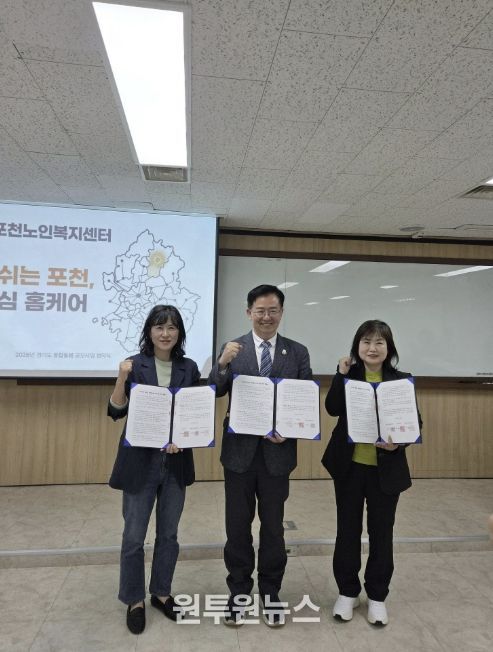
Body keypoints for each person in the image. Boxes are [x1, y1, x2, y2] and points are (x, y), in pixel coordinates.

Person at [208, 284, 312, 627]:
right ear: (248, 312)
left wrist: (291, 430)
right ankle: (239, 593)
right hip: (239, 455)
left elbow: (303, 401)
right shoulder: (232, 348)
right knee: (237, 528)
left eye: (273, 311)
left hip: (277, 455)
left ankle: (271, 593)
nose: (266, 317)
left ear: (281, 312)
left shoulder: (297, 352)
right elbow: (214, 390)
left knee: (273, 529)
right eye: (260, 311)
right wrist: (222, 364)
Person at [321, 319, 421, 627]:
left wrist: (398, 443)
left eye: (379, 342)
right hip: (349, 467)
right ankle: (347, 592)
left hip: (385, 471)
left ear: (389, 348)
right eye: (366, 341)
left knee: (382, 532)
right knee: (347, 530)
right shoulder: (349, 375)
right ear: (357, 346)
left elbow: (414, 422)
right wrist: (340, 375)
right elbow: (332, 408)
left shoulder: (401, 380)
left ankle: (377, 596)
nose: (372, 348)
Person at [108, 305, 200, 634]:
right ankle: (134, 600)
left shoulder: (189, 367)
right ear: (149, 331)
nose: (165, 333)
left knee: (169, 534)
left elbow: (193, 413)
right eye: (159, 327)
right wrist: (121, 377)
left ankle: (161, 593)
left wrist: (184, 439)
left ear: (179, 333)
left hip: (175, 462)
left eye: (172, 327)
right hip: (140, 462)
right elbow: (116, 410)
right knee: (134, 537)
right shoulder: (134, 365)